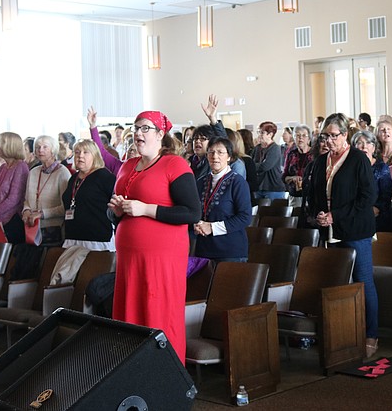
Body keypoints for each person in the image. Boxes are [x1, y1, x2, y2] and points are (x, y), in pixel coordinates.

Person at [108, 111, 201, 364]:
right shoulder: (128, 165)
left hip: (162, 257)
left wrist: (145, 209)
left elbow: (192, 212)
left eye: (145, 128)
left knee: (158, 313)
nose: (138, 133)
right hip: (129, 257)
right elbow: (119, 214)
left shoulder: (175, 165)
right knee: (130, 314)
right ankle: (131, 373)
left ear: (161, 134)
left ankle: (164, 375)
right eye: (136, 128)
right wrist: (116, 211)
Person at [309, 113, 378, 358]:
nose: (329, 140)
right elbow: (314, 192)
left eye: (334, 135)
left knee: (362, 279)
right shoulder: (321, 161)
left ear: (345, 135)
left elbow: (367, 197)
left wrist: (336, 215)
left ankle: (371, 334)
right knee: (336, 281)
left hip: (355, 227)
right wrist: (318, 213)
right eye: (325, 136)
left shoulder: (358, 159)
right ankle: (342, 332)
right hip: (328, 228)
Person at [192, 137, 251, 263]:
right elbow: (194, 210)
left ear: (229, 157)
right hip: (204, 248)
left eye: (220, 152)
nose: (215, 156)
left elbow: (245, 217)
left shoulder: (238, 182)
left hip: (230, 250)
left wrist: (212, 228)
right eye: (211, 152)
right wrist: (196, 224)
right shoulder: (201, 181)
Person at [62, 140, 116, 251]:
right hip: (73, 237)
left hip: (97, 240)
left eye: (86, 152)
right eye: (77, 152)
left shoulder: (104, 177)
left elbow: (115, 207)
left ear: (95, 156)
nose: (80, 155)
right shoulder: (74, 178)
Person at [22, 135, 71, 247]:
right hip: (31, 228)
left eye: (45, 147)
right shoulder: (33, 172)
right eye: (38, 147)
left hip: (53, 230)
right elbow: (26, 200)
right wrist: (26, 210)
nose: (40, 150)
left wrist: (41, 214)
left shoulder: (63, 173)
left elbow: (65, 207)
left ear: (53, 150)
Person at [0, 132, 29, 245]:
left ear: (10, 146)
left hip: (12, 220)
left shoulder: (21, 166)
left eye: (1, 143)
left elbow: (14, 199)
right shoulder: (2, 167)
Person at [353, 130, 392, 233]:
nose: (364, 146)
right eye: (359, 143)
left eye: (368, 143)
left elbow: (386, 195)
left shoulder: (381, 167)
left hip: (377, 217)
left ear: (374, 147)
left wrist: (375, 208)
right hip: (355, 215)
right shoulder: (351, 168)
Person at [252, 121, 285, 200]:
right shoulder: (257, 148)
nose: (259, 135)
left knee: (272, 212)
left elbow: (265, 166)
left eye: (262, 132)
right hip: (259, 187)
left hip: (273, 188)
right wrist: (255, 166)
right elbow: (251, 163)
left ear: (270, 135)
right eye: (258, 132)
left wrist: (254, 166)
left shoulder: (275, 148)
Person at [282, 124, 313, 206]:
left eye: (304, 135)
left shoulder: (315, 155)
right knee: (294, 218)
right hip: (294, 196)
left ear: (309, 139)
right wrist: (293, 178)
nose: (300, 138)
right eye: (297, 135)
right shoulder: (291, 154)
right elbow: (284, 176)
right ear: (294, 138)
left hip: (311, 196)